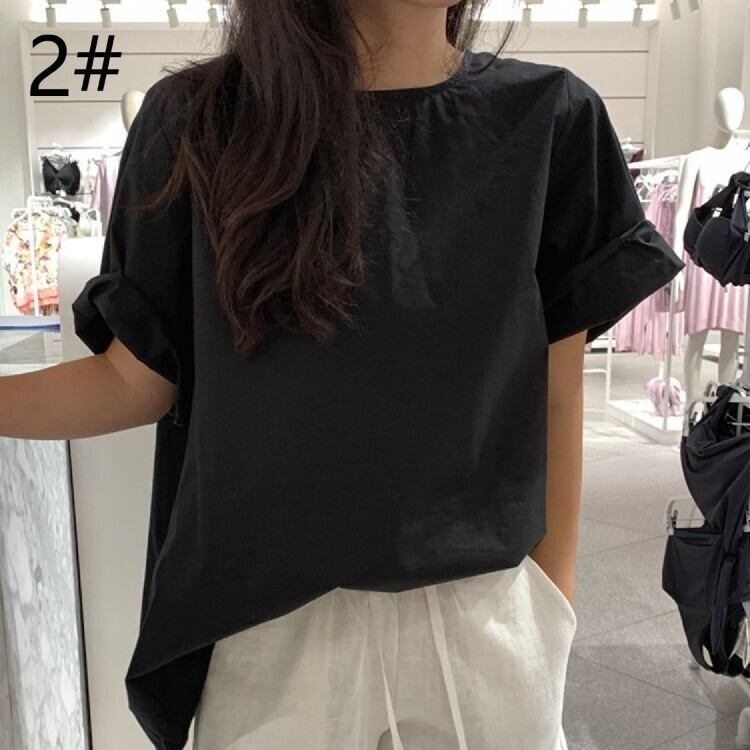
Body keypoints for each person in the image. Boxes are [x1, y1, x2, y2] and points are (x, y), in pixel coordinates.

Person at [0, 1, 684, 748]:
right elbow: (134, 380)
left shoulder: (552, 120)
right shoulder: (201, 123)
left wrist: (552, 610)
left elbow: (557, 394)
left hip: (488, 616)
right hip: (270, 629)